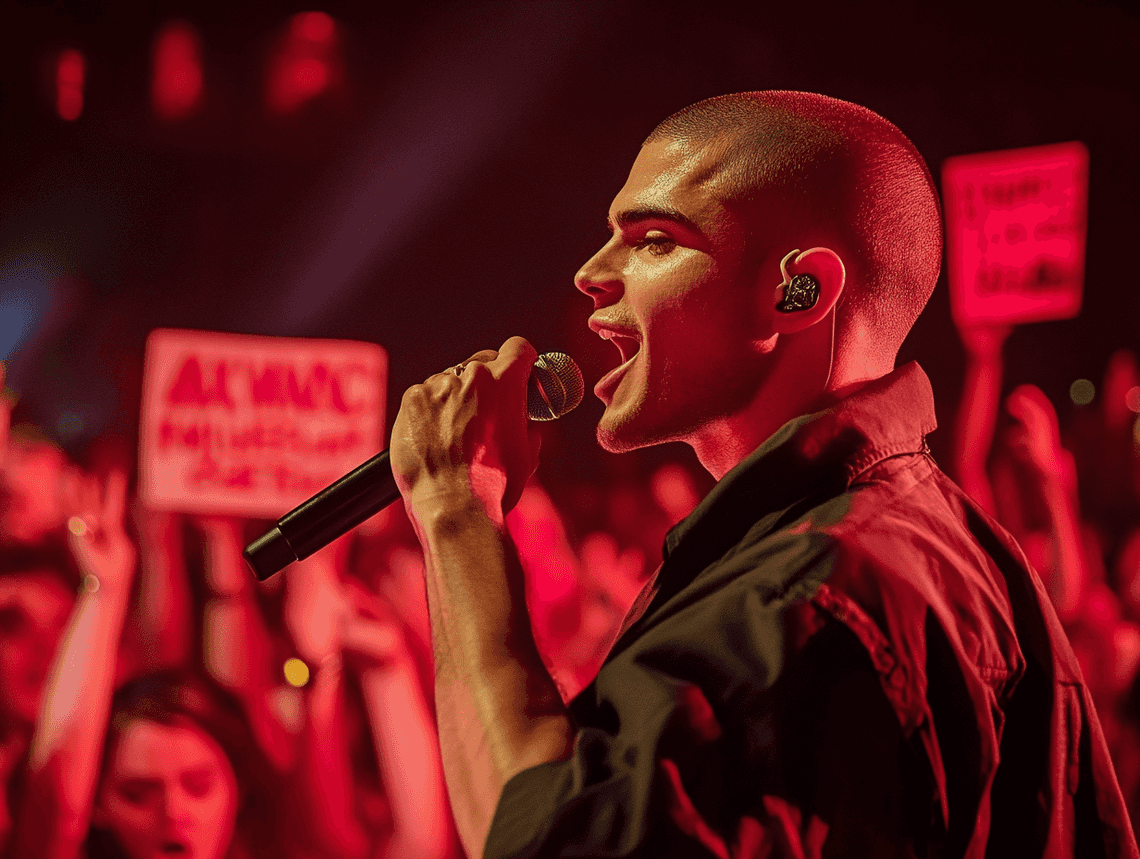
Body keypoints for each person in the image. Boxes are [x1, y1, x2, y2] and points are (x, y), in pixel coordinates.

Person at [388, 91, 1138, 858]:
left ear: (797, 291)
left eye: (653, 240)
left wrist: (456, 507)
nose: (590, 274)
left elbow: (549, 845)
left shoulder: (810, 591)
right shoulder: (937, 546)